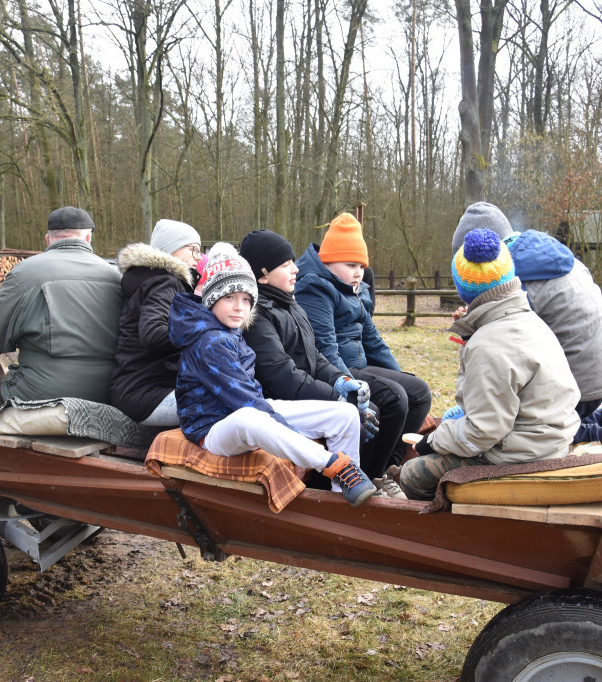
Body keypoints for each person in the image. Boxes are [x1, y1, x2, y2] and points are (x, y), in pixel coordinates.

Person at [451, 202, 602, 488]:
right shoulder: (541, 251)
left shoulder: (516, 278)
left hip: (580, 377)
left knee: (529, 435)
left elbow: (505, 346)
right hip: (601, 363)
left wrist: (473, 329)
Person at [169, 242, 376, 507]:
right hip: (212, 427)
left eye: (246, 299)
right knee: (250, 418)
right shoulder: (209, 342)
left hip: (246, 407)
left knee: (344, 414)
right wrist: (290, 433)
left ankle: (343, 496)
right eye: (229, 297)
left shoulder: (227, 329)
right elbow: (244, 401)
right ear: (211, 300)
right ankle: (334, 465)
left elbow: (254, 395)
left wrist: (341, 384)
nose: (239, 307)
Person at [399, 228, 582, 500]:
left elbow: (480, 434)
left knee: (412, 473)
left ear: (464, 290)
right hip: (547, 439)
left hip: (521, 456)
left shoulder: (488, 344)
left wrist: (434, 441)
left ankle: (454, 531)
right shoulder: (528, 320)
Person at [238, 229, 403, 499]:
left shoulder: (290, 305)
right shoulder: (258, 317)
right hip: (279, 402)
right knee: (358, 417)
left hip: (302, 392)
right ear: (262, 274)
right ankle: (325, 494)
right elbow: (283, 377)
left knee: (373, 407)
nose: (295, 269)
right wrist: (338, 397)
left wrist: (343, 380)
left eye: (293, 261)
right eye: (285, 264)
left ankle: (363, 481)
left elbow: (315, 357)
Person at [294, 212, 432, 478]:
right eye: (350, 265)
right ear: (329, 261)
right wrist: (351, 386)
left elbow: (372, 339)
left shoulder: (354, 288)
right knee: (394, 398)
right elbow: (325, 347)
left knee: (418, 392)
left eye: (361, 266)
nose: (358, 274)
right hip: (333, 371)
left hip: (359, 365)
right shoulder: (314, 288)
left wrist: (399, 373)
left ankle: (391, 465)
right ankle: (370, 475)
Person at [0, 206, 123, 425]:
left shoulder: (25, 273)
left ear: (48, 239)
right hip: (111, 392)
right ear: (88, 237)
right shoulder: (116, 275)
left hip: (43, 395)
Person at [110, 219, 202, 427]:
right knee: (227, 407)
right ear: (171, 249)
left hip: (142, 390)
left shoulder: (155, 280)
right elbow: (152, 333)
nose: (199, 257)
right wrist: (201, 331)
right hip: (145, 393)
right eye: (193, 249)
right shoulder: (165, 281)